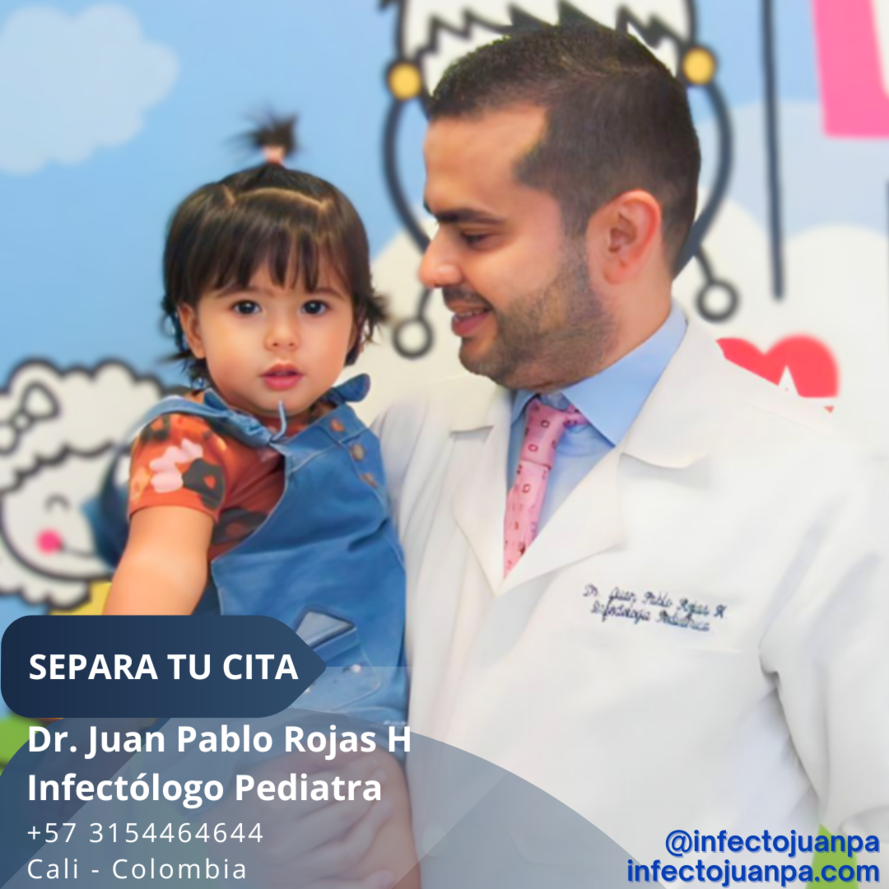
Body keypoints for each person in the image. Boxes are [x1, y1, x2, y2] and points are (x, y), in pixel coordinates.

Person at [375, 21, 889, 873]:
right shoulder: (406, 439)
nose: (431, 266)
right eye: (437, 226)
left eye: (474, 233)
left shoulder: (824, 496)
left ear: (620, 235)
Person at [103, 164, 416, 889]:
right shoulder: (194, 440)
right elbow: (161, 564)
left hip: (362, 706)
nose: (282, 336)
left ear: (357, 324)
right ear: (194, 326)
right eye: (246, 306)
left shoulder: (344, 429)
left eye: (314, 305)